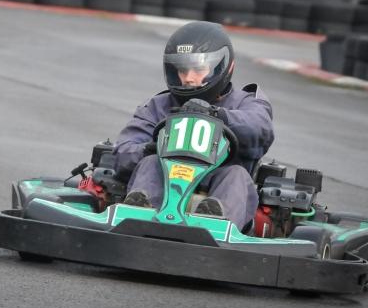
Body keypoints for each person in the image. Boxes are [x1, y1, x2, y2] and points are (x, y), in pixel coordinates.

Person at [112, 21, 274, 229]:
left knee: (237, 175)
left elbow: (260, 129)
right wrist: (148, 150)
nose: (188, 78)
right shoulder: (158, 106)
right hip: (164, 183)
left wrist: (218, 116)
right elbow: (123, 152)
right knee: (150, 163)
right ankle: (140, 215)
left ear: (224, 66)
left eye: (198, 69)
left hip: (218, 181)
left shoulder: (245, 102)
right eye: (182, 69)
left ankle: (215, 220)